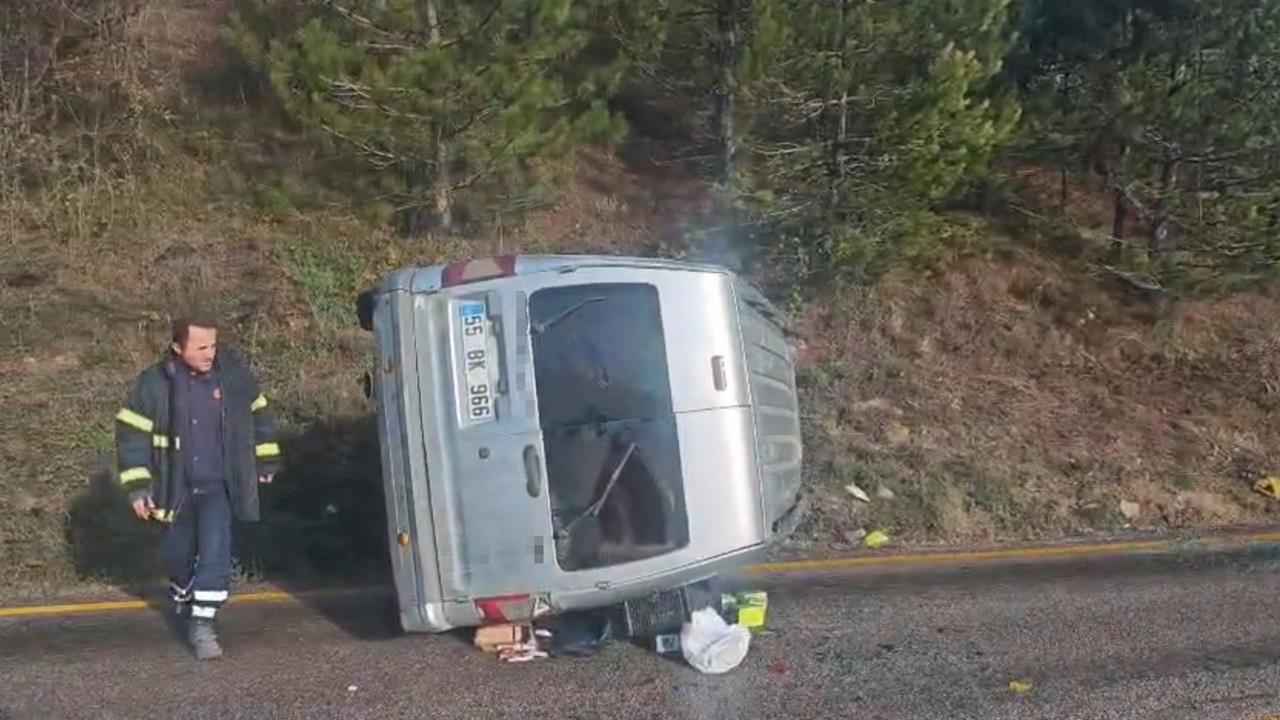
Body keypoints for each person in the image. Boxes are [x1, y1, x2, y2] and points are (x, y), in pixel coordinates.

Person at [114, 315, 282, 660]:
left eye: (213, 345)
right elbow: (131, 437)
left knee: (215, 551)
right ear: (178, 347)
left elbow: (260, 415)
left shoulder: (233, 377)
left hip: (219, 487)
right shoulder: (152, 384)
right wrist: (138, 487)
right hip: (173, 489)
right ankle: (183, 591)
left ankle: (203, 625)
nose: (209, 354)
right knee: (176, 557)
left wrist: (265, 461)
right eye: (201, 347)